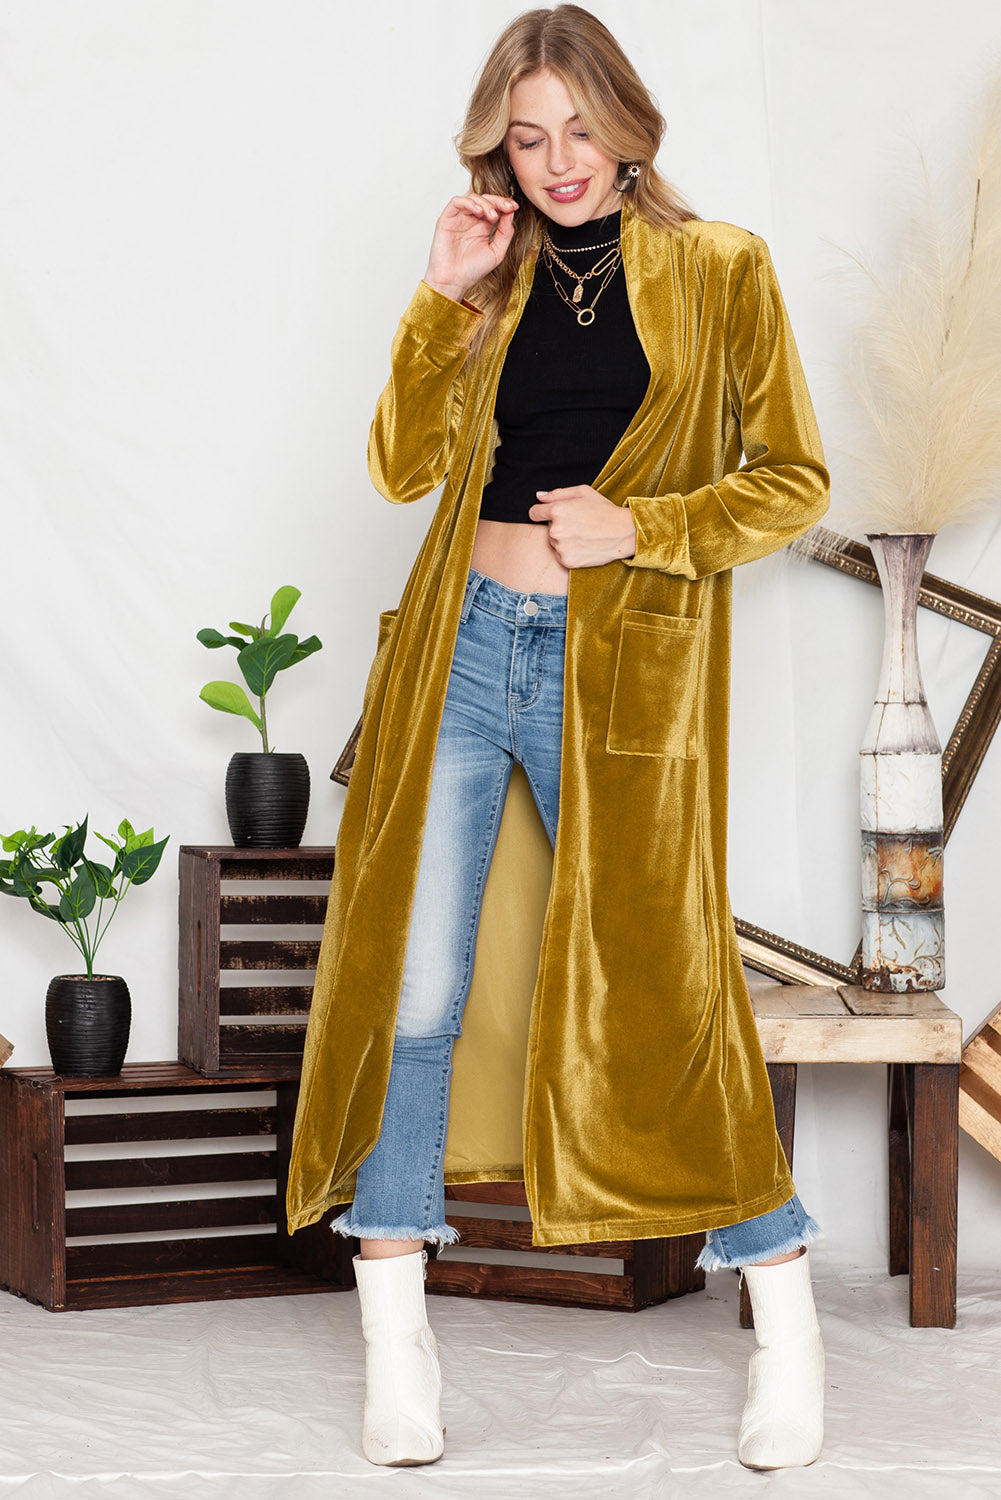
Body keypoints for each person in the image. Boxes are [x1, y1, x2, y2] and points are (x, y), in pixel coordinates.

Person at [287, 3, 830, 1473]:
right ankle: (396, 1341)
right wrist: (438, 293)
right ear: (498, 152)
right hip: (462, 649)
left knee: (666, 985)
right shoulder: (490, 272)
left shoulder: (720, 268)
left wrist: (641, 525)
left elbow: (791, 478)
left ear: (630, 125)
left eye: (580, 129)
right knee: (414, 990)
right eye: (527, 139)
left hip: (621, 668)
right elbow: (401, 467)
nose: (558, 161)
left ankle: (782, 1318)